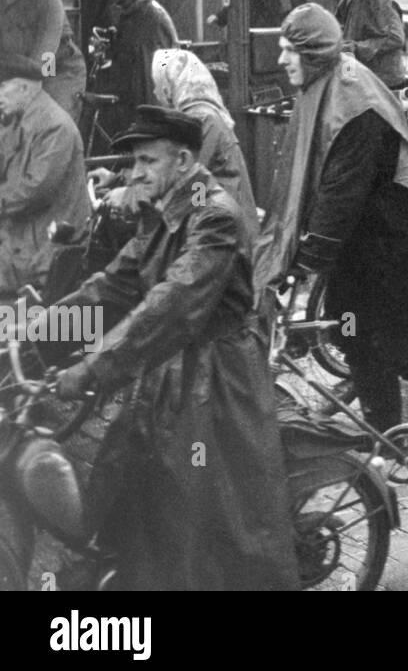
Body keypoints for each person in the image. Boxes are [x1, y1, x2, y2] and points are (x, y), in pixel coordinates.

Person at [50, 106, 297, 590]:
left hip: (220, 381)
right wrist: (36, 337)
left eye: (146, 161)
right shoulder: (165, 208)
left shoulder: (215, 216)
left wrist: (93, 368)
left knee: (204, 513)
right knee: (134, 489)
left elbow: (172, 304)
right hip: (175, 368)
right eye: (133, 162)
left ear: (183, 161)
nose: (134, 173)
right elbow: (114, 287)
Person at [260, 4, 408, 455]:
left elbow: (340, 193)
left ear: (313, 53)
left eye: (289, 50)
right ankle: (385, 439)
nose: (281, 60)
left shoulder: (354, 103)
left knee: (397, 343)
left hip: (406, 243)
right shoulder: (327, 83)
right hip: (370, 245)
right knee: (352, 337)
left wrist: (306, 260)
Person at [0, 52, 91, 294]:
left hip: (44, 250)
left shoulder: (54, 126)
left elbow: (34, 190)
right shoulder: (14, 121)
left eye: (2, 87)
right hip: (21, 240)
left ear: (23, 88)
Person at [150, 48, 256, 225]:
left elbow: (195, 179)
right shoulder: (200, 114)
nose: (155, 91)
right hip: (220, 217)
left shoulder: (202, 119)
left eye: (158, 83)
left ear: (171, 83)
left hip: (227, 228)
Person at [96, 0, 178, 136]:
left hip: (145, 113)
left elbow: (149, 79)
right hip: (134, 108)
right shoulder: (136, 15)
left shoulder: (150, 20)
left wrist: (148, 124)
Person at [0, 0, 86, 118]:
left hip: (59, 70)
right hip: (19, 72)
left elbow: (44, 66)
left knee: (48, 118)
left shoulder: (47, 0)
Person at [332, 0, 406, 89]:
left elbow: (396, 38)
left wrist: (358, 47)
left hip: (382, 78)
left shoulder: (381, 2)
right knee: (346, 93)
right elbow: (338, 25)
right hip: (354, 67)